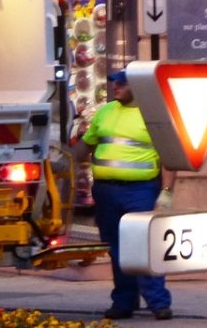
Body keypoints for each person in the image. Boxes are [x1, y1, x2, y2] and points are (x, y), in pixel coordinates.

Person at [73, 68, 175, 321]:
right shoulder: (106, 112)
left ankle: (158, 303)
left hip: (140, 191)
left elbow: (169, 158)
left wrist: (166, 193)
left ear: (137, 87)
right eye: (114, 83)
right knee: (117, 249)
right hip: (106, 192)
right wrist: (61, 163)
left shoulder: (153, 116)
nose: (115, 88)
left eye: (121, 84)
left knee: (143, 247)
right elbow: (86, 145)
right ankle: (123, 302)